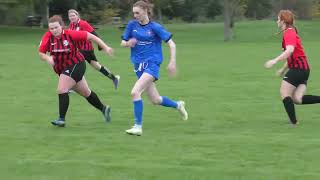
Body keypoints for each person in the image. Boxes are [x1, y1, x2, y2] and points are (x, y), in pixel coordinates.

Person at [120, 0, 188, 136]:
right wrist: (128, 43)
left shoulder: (155, 27)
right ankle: (178, 105)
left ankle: (138, 127)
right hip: (138, 66)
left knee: (135, 92)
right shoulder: (131, 25)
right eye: (133, 13)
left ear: (145, 11)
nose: (135, 15)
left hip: (152, 65)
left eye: (137, 13)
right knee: (155, 100)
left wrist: (172, 62)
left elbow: (172, 44)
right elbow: (122, 43)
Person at [38, 15, 114, 127]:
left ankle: (61, 119)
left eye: (56, 27)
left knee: (62, 89)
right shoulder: (48, 37)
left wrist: (106, 47)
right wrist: (48, 58)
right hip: (62, 68)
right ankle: (104, 109)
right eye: (51, 28)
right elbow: (41, 52)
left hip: (76, 64)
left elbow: (92, 37)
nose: (54, 30)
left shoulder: (70, 34)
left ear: (62, 26)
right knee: (86, 92)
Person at [264, 10, 320, 125]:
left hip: (299, 69)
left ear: (283, 21)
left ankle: (293, 123)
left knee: (284, 92)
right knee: (297, 99)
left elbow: (290, 51)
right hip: (303, 69)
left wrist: (274, 61)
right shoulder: (290, 32)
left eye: (278, 19)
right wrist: (283, 70)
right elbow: (291, 56)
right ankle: (294, 122)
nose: (277, 21)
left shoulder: (289, 32)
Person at [68, 9, 120, 89]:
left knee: (73, 63)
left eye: (73, 15)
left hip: (86, 49)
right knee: (97, 66)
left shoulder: (83, 23)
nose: (72, 17)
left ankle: (71, 86)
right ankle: (114, 78)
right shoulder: (71, 26)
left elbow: (94, 34)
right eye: (70, 16)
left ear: (77, 15)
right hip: (79, 49)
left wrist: (102, 47)